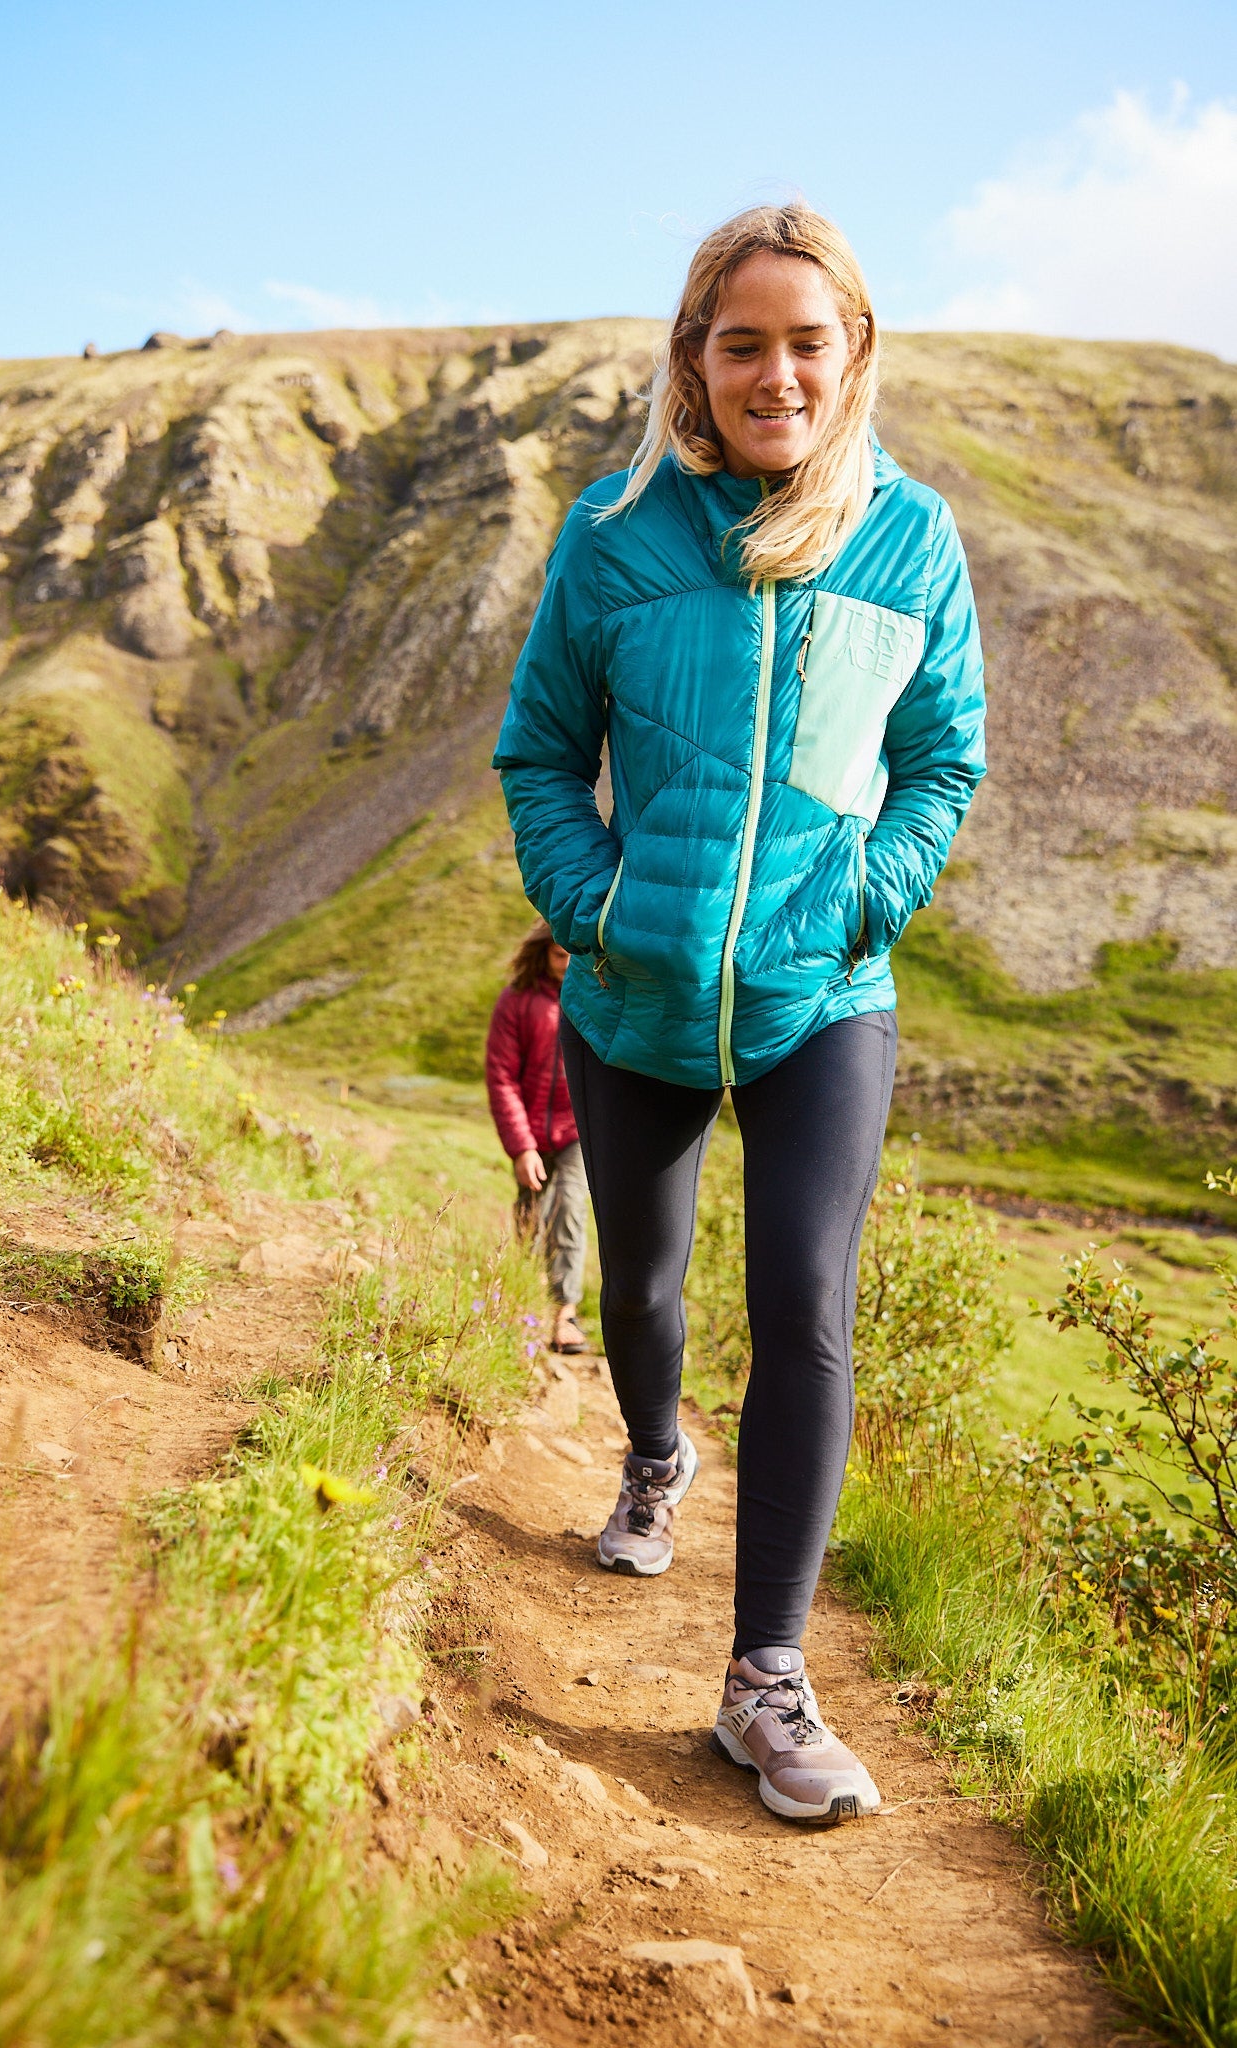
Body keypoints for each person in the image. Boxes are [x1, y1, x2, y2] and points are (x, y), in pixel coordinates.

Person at [493, 206, 985, 1826]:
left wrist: (859, 901)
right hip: (632, 999)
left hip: (817, 997)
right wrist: (598, 908)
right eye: (741, 340)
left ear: (852, 355)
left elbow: (942, 760)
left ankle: (763, 1676)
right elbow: (539, 752)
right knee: (639, 1285)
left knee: (804, 1299)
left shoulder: (907, 537)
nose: (775, 371)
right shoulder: (616, 532)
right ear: (694, 360)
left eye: (806, 339)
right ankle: (651, 1450)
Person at [484, 920, 590, 1354]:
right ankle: (523, 1299)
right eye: (558, 955)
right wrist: (522, 1147)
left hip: (576, 1133)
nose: (566, 964)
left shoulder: (593, 997)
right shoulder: (517, 1001)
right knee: (530, 1216)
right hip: (529, 1132)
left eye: (572, 955)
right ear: (542, 953)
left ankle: (564, 1313)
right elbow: (502, 1077)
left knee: (569, 1208)